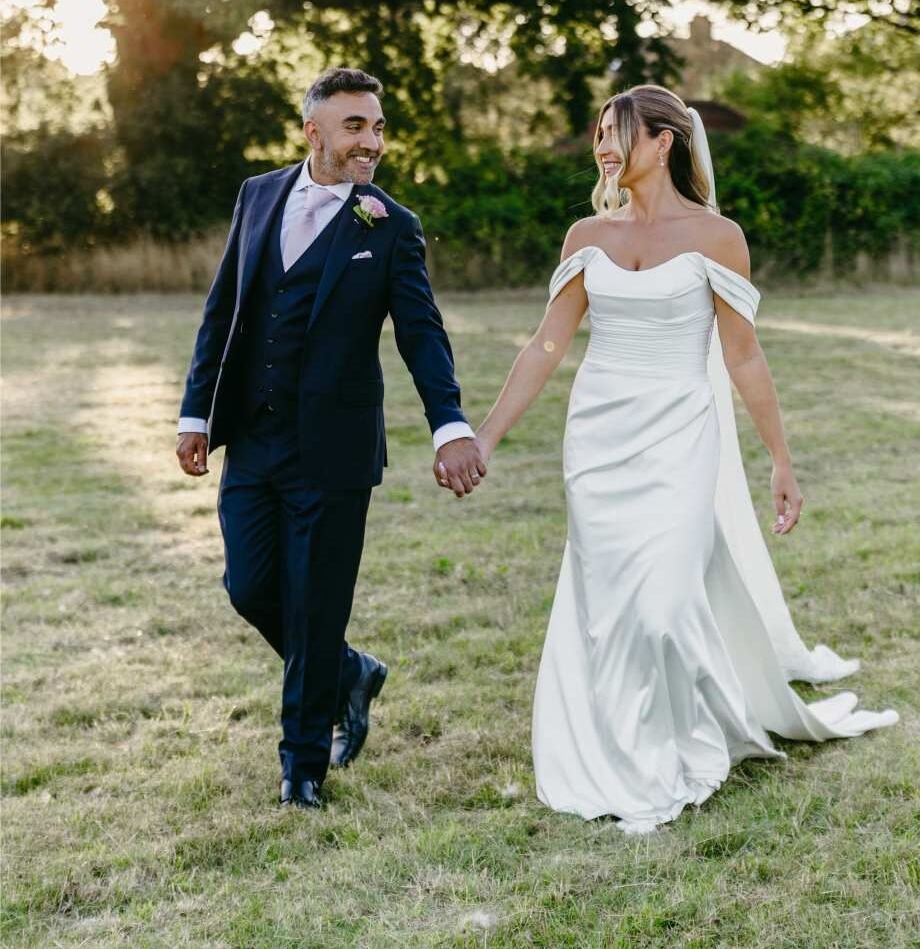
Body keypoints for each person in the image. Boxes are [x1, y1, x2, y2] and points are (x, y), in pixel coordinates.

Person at [474, 84, 898, 833]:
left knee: (664, 604)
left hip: (680, 432)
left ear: (663, 142)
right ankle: (614, 745)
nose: (604, 145)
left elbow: (743, 356)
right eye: (600, 132)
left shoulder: (717, 236)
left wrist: (781, 460)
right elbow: (546, 346)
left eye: (618, 132)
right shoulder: (585, 237)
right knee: (610, 604)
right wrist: (485, 436)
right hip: (598, 437)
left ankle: (675, 742)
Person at [175, 67, 487, 809]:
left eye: (377, 127)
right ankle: (349, 670)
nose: (371, 142)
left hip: (337, 450)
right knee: (250, 586)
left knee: (315, 604)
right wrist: (196, 413)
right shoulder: (257, 196)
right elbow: (224, 310)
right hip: (253, 439)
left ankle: (302, 768)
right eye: (355, 126)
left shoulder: (392, 226)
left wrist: (450, 424)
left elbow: (423, 336)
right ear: (314, 131)